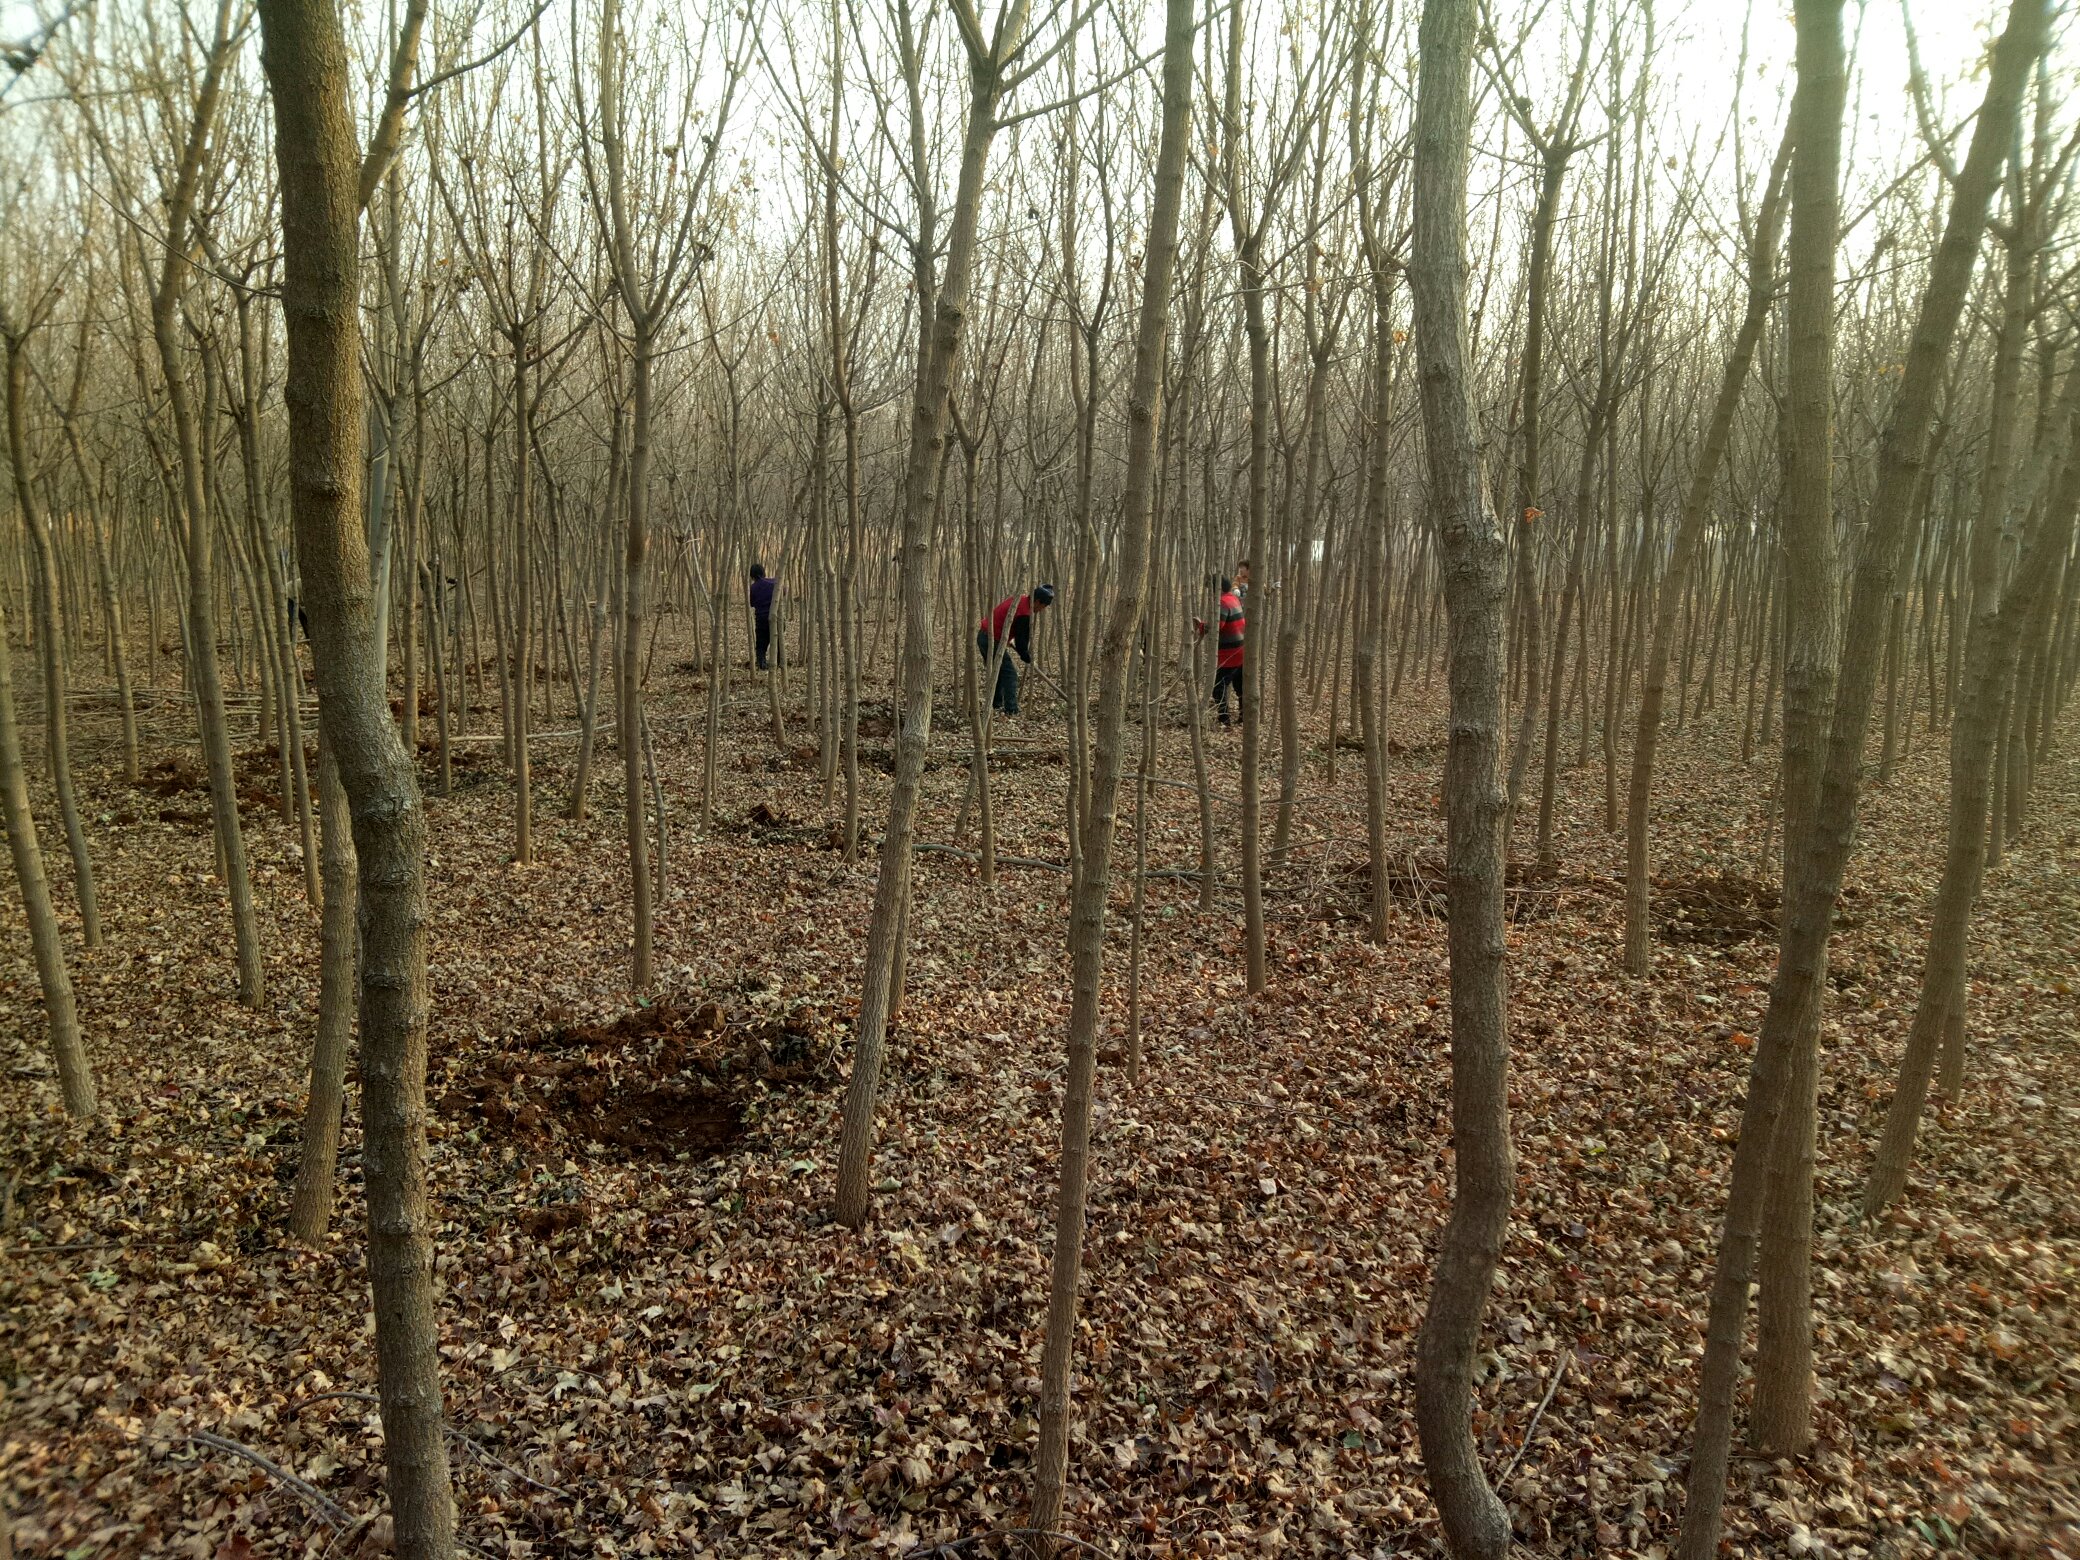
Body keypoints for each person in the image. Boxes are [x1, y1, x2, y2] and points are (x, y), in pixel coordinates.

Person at [977, 583, 1055, 716]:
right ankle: (1011, 709)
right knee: (1010, 673)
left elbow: (1009, 623)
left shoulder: (1019, 599)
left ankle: (996, 703)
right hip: (990, 639)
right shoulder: (1024, 612)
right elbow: (1021, 639)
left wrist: (1009, 640)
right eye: (1043, 606)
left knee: (999, 671)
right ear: (1037, 601)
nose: (1042, 610)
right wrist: (1025, 654)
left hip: (985, 636)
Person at [1195, 575, 1246, 727]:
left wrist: (1202, 626)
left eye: (1210, 589)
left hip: (1229, 655)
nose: (1209, 593)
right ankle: (1244, 718)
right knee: (1240, 687)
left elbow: (1218, 626)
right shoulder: (1233, 598)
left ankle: (1225, 720)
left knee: (1218, 688)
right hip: (1241, 650)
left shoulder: (1222, 602)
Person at [748, 563, 778, 670]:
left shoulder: (753, 588)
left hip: (761, 619)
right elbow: (784, 590)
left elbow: (752, 603)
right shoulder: (774, 581)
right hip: (776, 618)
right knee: (777, 641)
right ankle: (778, 662)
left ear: (752, 575)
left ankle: (762, 664)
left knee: (761, 644)